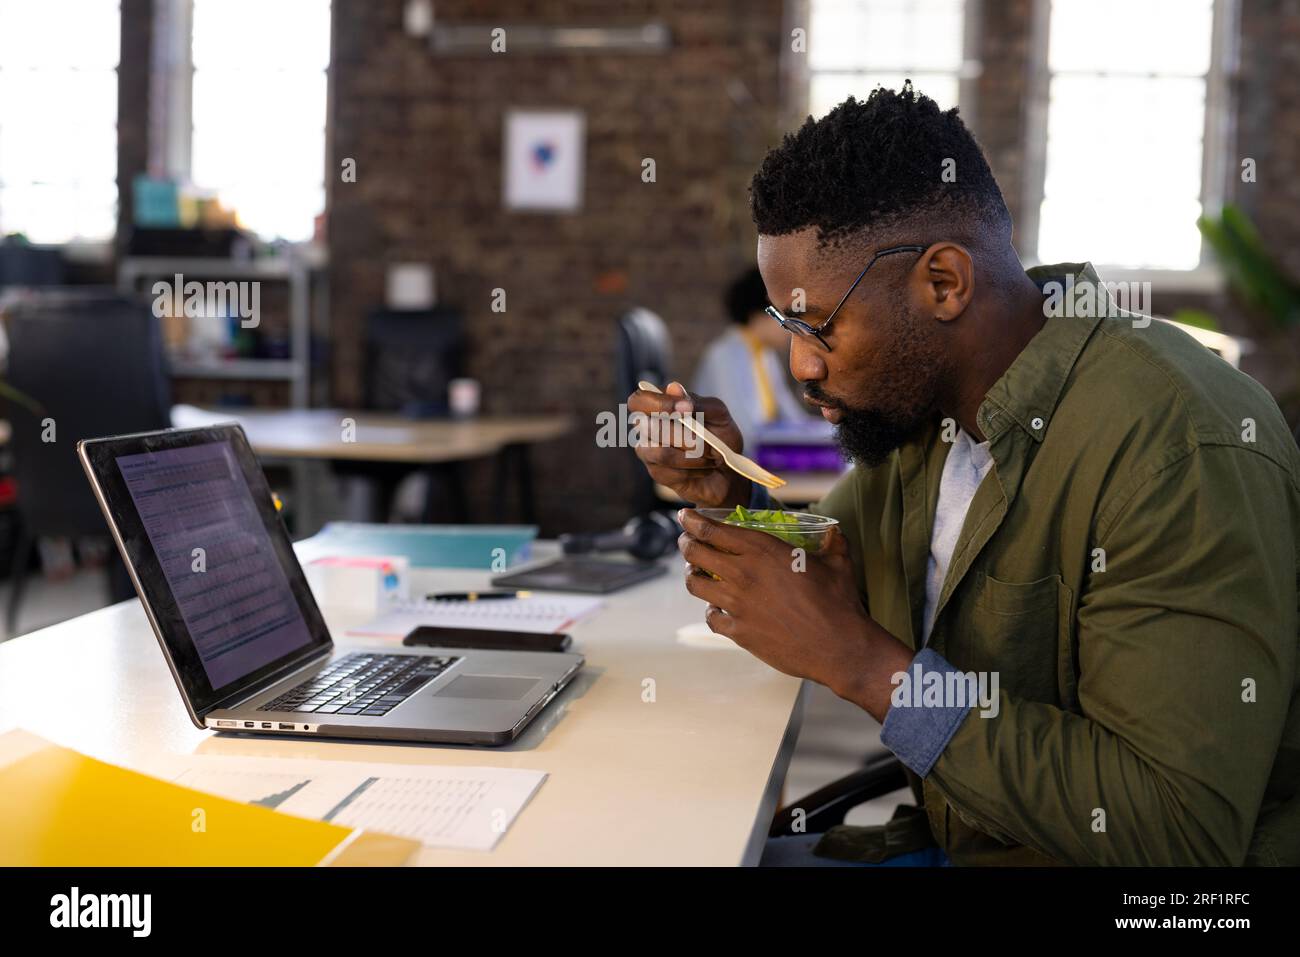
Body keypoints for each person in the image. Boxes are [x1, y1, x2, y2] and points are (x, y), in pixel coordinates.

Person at [628, 83, 1300, 866]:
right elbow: (828, 565)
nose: (802, 365)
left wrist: (866, 665)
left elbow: (1178, 829)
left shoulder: (1177, 445)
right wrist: (733, 498)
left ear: (944, 283)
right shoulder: (927, 416)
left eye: (820, 326)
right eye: (786, 326)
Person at [692, 268, 813, 443]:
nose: (794, 328)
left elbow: (792, 417)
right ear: (761, 313)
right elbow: (741, 431)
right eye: (787, 317)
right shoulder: (722, 357)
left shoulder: (766, 356)